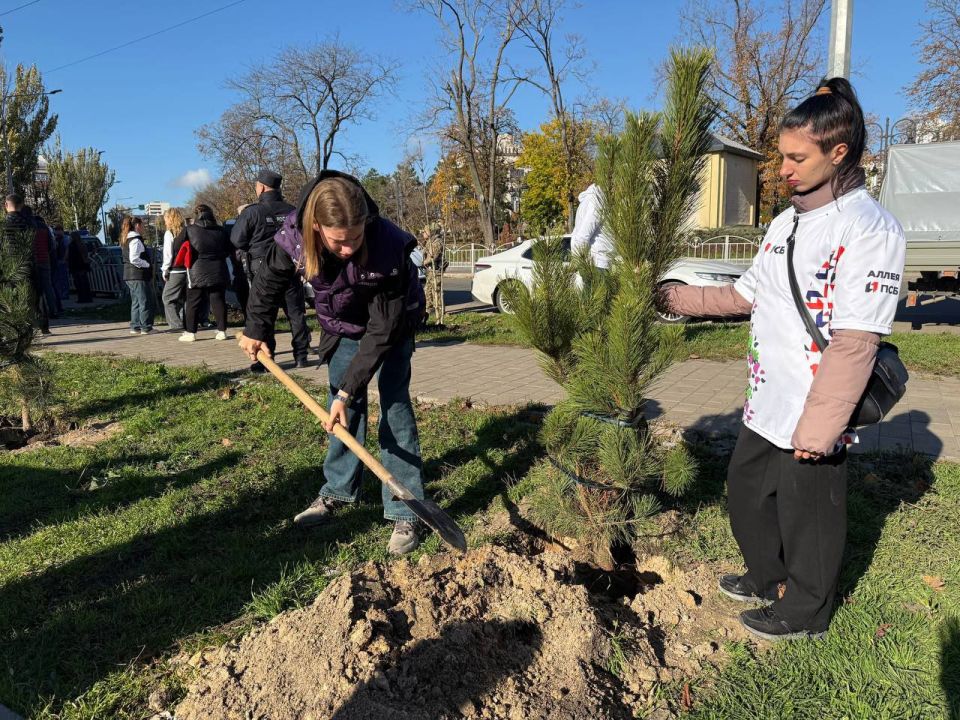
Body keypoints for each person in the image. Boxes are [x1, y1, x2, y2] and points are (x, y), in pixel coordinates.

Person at [659, 78, 906, 641]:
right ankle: (764, 574)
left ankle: (805, 611)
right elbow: (745, 295)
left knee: (809, 515)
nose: (785, 169)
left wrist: (820, 429)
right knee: (746, 494)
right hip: (767, 398)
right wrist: (672, 297)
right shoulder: (785, 222)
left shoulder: (869, 228)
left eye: (798, 158)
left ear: (837, 152)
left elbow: (856, 340)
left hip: (816, 407)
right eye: (782, 157)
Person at [238, 171, 428, 555]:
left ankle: (406, 508)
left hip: (391, 324)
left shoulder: (386, 246)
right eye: (339, 242)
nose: (348, 249)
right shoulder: (293, 237)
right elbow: (269, 281)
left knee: (394, 406)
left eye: (355, 238)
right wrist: (256, 328)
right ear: (316, 229)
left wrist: (347, 389)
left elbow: (381, 330)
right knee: (341, 413)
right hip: (341, 325)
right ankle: (338, 490)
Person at [231, 169, 311, 371]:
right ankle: (301, 356)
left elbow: (236, 239)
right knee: (296, 313)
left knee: (264, 313)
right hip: (291, 268)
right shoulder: (293, 211)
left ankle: (267, 358)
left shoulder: (252, 212)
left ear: (262, 187)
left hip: (262, 271)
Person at [177, 204, 232, 342]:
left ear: (196, 215)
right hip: (218, 268)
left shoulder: (189, 230)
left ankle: (191, 333)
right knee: (218, 300)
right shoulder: (221, 230)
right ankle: (222, 331)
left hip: (197, 269)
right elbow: (229, 249)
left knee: (193, 301)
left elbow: (176, 246)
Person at [4, 195, 51, 333]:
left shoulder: (4, 224)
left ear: (6, 205)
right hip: (29, 263)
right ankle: (43, 325)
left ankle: (19, 329)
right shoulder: (30, 223)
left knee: (13, 298)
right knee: (36, 296)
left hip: (11, 266)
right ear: (21, 205)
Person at [120, 216, 155, 334]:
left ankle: (135, 326)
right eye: (142, 225)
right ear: (137, 226)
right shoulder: (135, 239)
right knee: (144, 300)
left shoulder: (126, 239)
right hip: (137, 275)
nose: (143, 228)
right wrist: (147, 264)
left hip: (129, 275)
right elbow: (134, 258)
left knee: (135, 301)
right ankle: (146, 327)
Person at [570, 182, 614, 269]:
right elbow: (583, 235)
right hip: (598, 263)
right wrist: (578, 262)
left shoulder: (591, 199)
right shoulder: (597, 201)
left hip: (597, 262)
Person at [161, 207, 188, 330]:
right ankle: (187, 322)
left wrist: (165, 270)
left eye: (165, 219)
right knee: (183, 298)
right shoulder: (186, 231)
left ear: (170, 219)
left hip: (175, 270)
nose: (165, 221)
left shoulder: (169, 233)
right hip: (187, 269)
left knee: (167, 298)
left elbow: (168, 254)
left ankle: (176, 325)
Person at [67, 230, 93, 303]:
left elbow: (71, 257)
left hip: (76, 266)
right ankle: (88, 297)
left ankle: (81, 298)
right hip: (83, 265)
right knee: (85, 282)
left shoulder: (72, 245)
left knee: (78, 283)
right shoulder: (82, 244)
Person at [51, 225, 70, 305]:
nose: (57, 232)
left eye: (58, 230)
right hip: (57, 260)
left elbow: (67, 250)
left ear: (61, 230)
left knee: (63, 278)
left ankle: (65, 293)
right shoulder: (56, 239)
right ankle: (61, 293)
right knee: (58, 279)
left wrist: (65, 259)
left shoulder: (65, 239)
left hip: (62, 260)